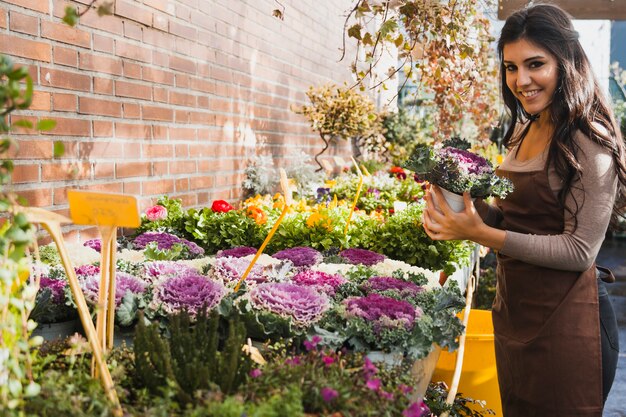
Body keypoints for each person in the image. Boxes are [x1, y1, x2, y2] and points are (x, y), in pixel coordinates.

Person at [422, 4, 626, 417]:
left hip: (570, 323)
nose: (522, 80)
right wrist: (463, 205)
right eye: (511, 67)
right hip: (516, 312)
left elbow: (579, 251)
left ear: (566, 61)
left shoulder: (590, 140)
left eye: (536, 64)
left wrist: (480, 234)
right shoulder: (525, 126)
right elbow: (512, 218)